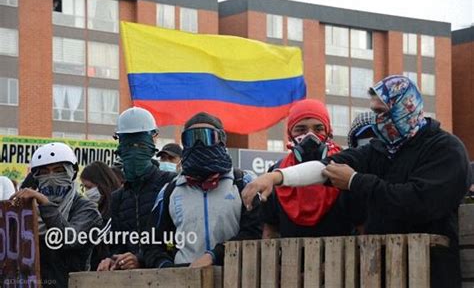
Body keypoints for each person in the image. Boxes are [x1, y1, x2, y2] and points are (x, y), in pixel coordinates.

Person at [242, 75, 471, 288]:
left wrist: (354, 181)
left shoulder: (445, 149)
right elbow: (328, 168)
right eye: (375, 113)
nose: (377, 121)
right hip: (382, 273)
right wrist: (277, 176)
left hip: (430, 275)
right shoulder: (381, 149)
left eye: (383, 113)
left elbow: (417, 202)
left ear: (405, 108)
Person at [143, 112, 262, 269]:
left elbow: (255, 233)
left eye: (207, 136)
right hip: (184, 278)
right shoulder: (171, 191)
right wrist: (166, 267)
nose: (199, 143)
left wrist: (214, 256)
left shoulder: (243, 183)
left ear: (221, 140)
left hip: (234, 275)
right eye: (191, 138)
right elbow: (152, 243)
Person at [261, 99, 363, 238]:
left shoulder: (345, 169)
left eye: (318, 129)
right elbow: (270, 230)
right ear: (290, 134)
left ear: (329, 132)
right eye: (301, 129)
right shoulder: (276, 172)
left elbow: (362, 228)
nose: (310, 135)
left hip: (342, 257)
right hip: (290, 258)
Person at [10, 142, 102, 287]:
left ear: (72, 173)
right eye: (45, 172)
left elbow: (69, 239)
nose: (51, 177)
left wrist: (46, 204)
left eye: (59, 170)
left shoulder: (86, 209)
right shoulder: (30, 208)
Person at [97, 107, 177, 271]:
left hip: (167, 274)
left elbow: (179, 240)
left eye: (140, 144)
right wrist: (112, 260)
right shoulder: (118, 197)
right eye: (128, 145)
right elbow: (116, 245)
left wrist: (141, 259)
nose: (134, 151)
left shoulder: (170, 185)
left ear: (153, 142)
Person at [80, 161, 121, 270]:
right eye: (84, 188)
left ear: (102, 184)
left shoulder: (114, 210)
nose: (87, 192)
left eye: (89, 187)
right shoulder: (96, 210)